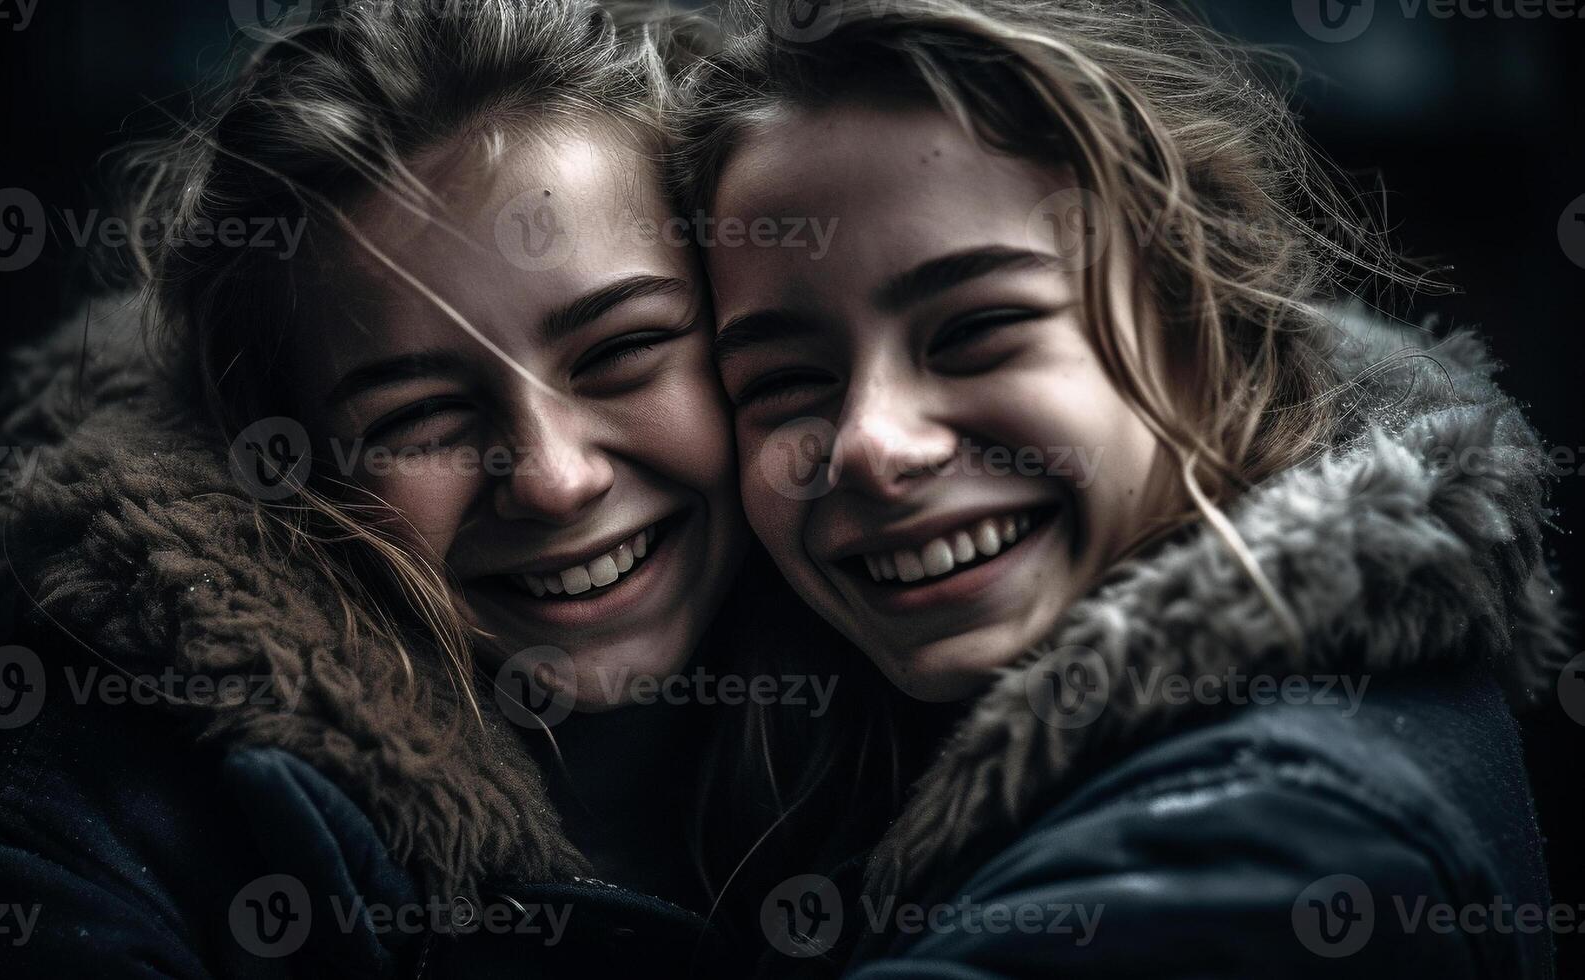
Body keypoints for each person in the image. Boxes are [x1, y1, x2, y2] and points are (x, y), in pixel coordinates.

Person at [0, 1, 810, 975]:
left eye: (622, 349)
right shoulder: (71, 841)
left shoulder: (930, 688)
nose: (551, 476)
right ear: (286, 460)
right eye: (415, 417)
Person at [672, 0, 1571, 975]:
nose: (870, 444)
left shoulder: (1267, 838)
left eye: (973, 330)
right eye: (782, 382)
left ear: (1201, 329)